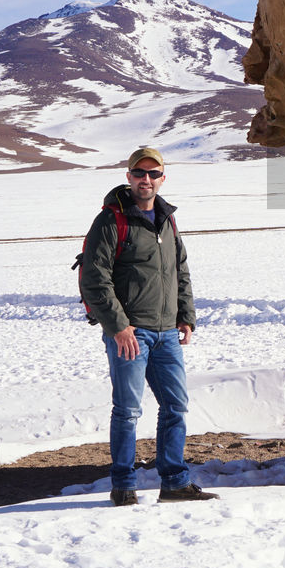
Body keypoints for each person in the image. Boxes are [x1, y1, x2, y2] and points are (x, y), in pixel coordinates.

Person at [79, 147, 219, 506]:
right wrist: (119, 327)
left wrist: (185, 316)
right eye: (140, 173)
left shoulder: (167, 220)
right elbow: (96, 279)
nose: (146, 180)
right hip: (131, 333)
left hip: (167, 333)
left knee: (176, 406)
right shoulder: (111, 221)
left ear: (162, 178)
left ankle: (174, 482)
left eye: (153, 174)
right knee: (127, 410)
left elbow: (180, 271)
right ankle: (123, 486)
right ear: (128, 176)